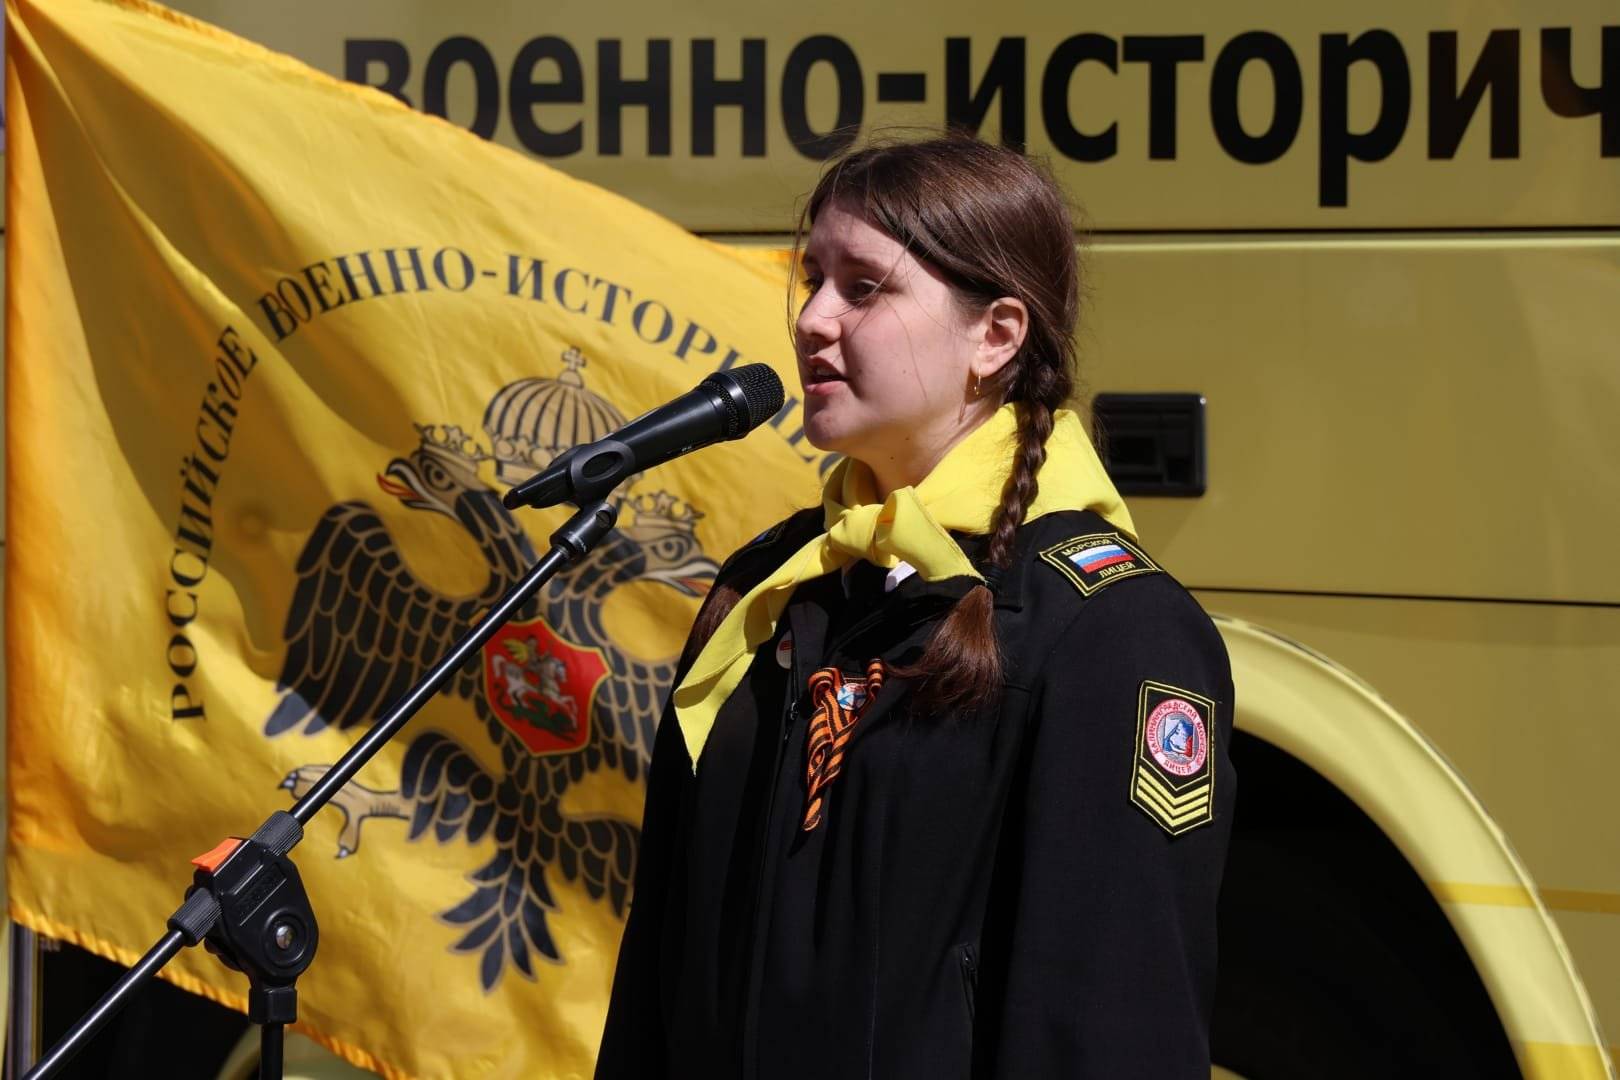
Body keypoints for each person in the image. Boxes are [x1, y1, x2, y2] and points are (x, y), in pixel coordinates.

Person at [595, 132, 1235, 1079]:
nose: (813, 320)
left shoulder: (1109, 630)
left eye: (864, 287)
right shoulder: (774, 585)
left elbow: (1109, 1024)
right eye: (812, 279)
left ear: (997, 335)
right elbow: (662, 961)